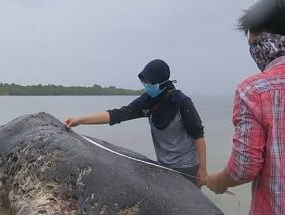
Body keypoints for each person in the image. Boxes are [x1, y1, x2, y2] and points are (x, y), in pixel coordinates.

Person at [204, 0, 285, 215]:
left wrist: (219, 181)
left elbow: (245, 167)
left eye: (252, 41)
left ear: (265, 39)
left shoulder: (254, 90)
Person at [65, 59, 207, 186]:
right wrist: (80, 120)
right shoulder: (147, 102)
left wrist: (203, 169)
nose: (146, 85)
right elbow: (117, 115)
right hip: (164, 167)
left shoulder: (182, 103)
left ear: (161, 82)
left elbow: (198, 136)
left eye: (150, 82)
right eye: (144, 81)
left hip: (188, 168)